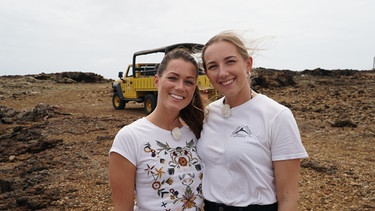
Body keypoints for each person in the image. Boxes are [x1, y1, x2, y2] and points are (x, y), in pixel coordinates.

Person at [197, 31, 308, 211]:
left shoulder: (277, 116)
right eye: (213, 66)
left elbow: (288, 198)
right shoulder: (209, 113)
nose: (222, 72)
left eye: (230, 61)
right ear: (207, 73)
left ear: (248, 64)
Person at [109, 48, 205, 211]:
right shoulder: (130, 137)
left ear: (194, 87)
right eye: (173, 78)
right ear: (156, 80)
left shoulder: (198, 131)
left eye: (188, 82)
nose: (180, 87)